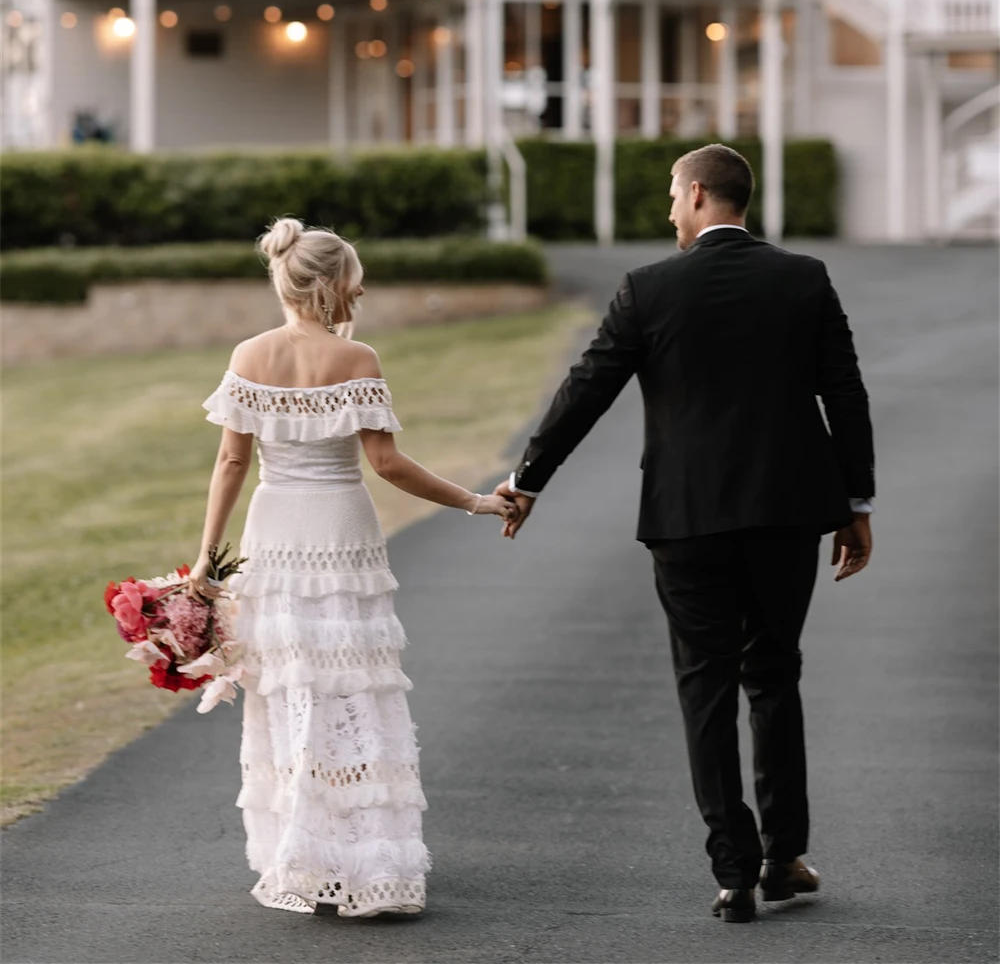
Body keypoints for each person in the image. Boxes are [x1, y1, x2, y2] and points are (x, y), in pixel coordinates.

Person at [496, 144, 875, 923]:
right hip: (785, 513)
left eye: (673, 195)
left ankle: (732, 873)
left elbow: (586, 388)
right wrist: (856, 503)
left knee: (704, 685)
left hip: (685, 519)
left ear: (699, 194)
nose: (669, 209)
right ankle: (784, 856)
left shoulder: (648, 289)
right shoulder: (802, 279)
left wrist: (527, 481)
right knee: (773, 674)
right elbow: (845, 393)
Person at [190, 218, 517, 917]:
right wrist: (473, 500)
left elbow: (231, 464)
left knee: (291, 690)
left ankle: (305, 856)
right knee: (351, 692)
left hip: (274, 535)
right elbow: (388, 464)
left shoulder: (248, 355)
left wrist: (203, 561)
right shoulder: (357, 360)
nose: (359, 292)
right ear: (333, 285)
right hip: (341, 532)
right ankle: (365, 858)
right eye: (354, 281)